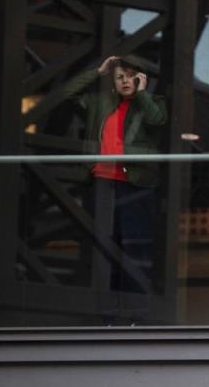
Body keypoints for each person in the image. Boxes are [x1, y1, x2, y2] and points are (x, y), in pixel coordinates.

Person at [63, 55, 167, 299]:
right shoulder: (100, 103)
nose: (125, 81)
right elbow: (66, 94)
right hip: (101, 183)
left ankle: (134, 309)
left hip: (134, 186)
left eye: (131, 76)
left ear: (141, 79)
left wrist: (142, 94)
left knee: (134, 250)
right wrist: (97, 72)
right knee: (102, 249)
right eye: (120, 77)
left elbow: (157, 120)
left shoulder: (154, 102)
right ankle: (106, 311)